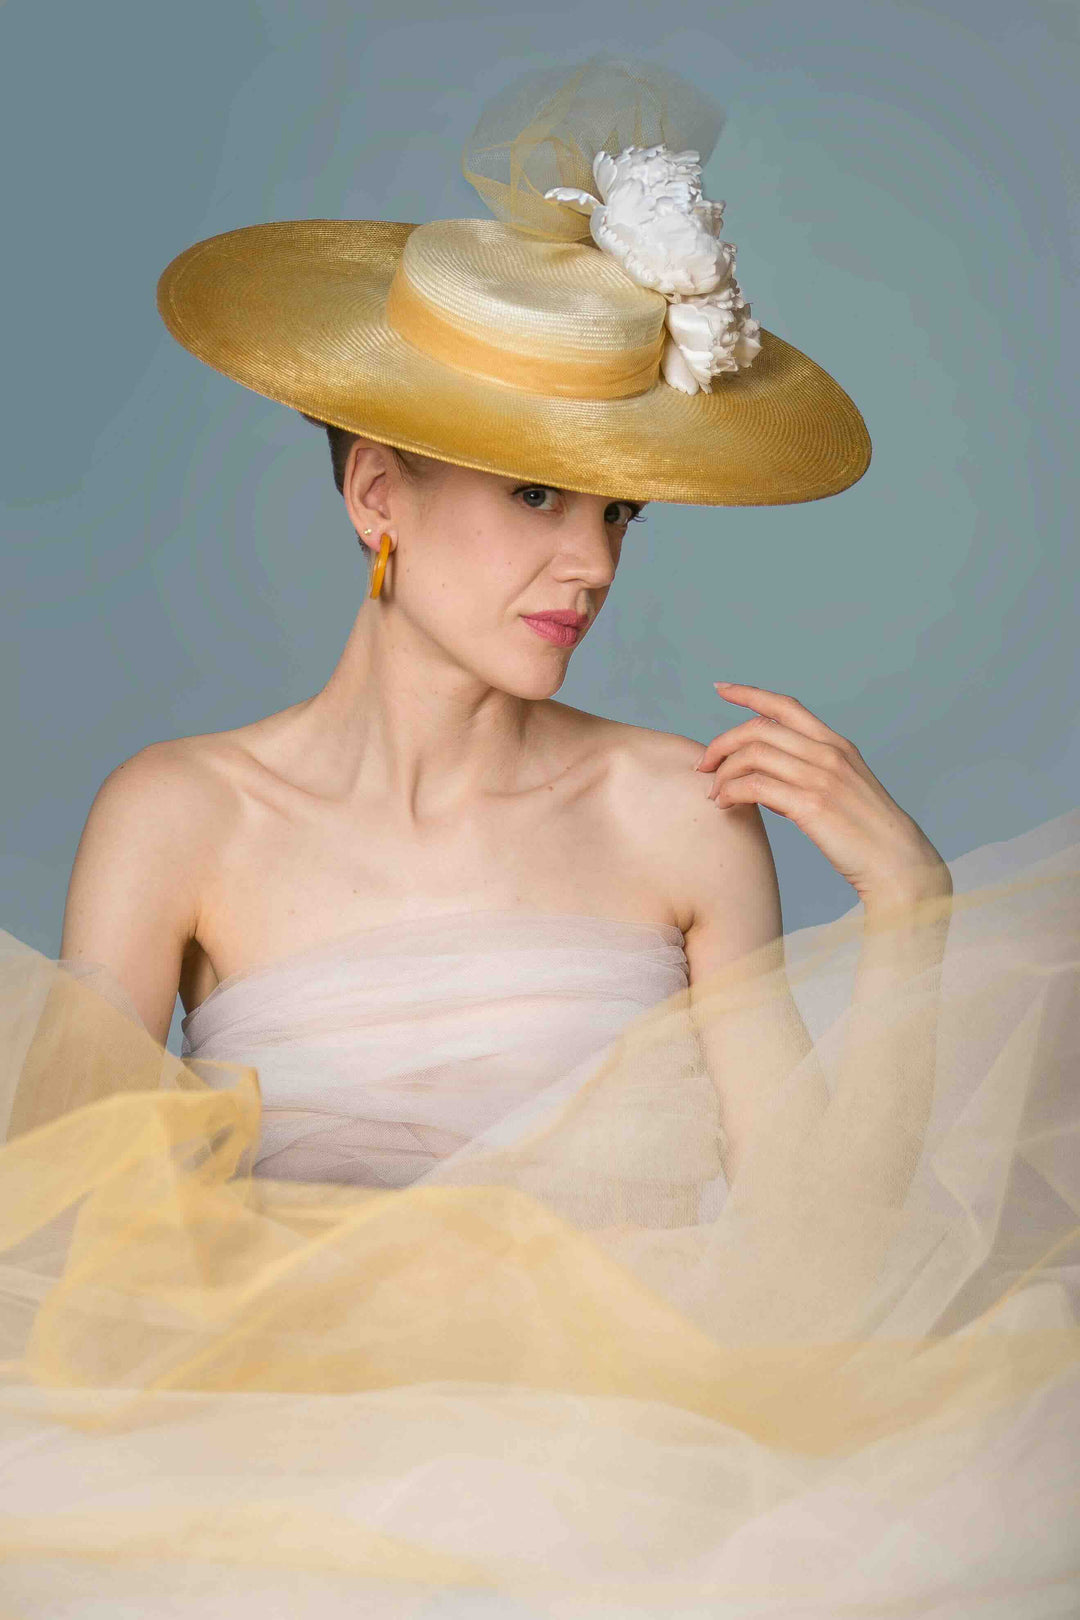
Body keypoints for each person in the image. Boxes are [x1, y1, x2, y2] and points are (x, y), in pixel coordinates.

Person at [0, 56, 1076, 1620]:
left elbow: (821, 1271)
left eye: (618, 511)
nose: (593, 565)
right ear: (378, 494)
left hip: (640, 1476)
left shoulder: (675, 813)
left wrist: (913, 911)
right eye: (535, 496)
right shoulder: (181, 816)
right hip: (274, 1467)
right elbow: (57, 1249)